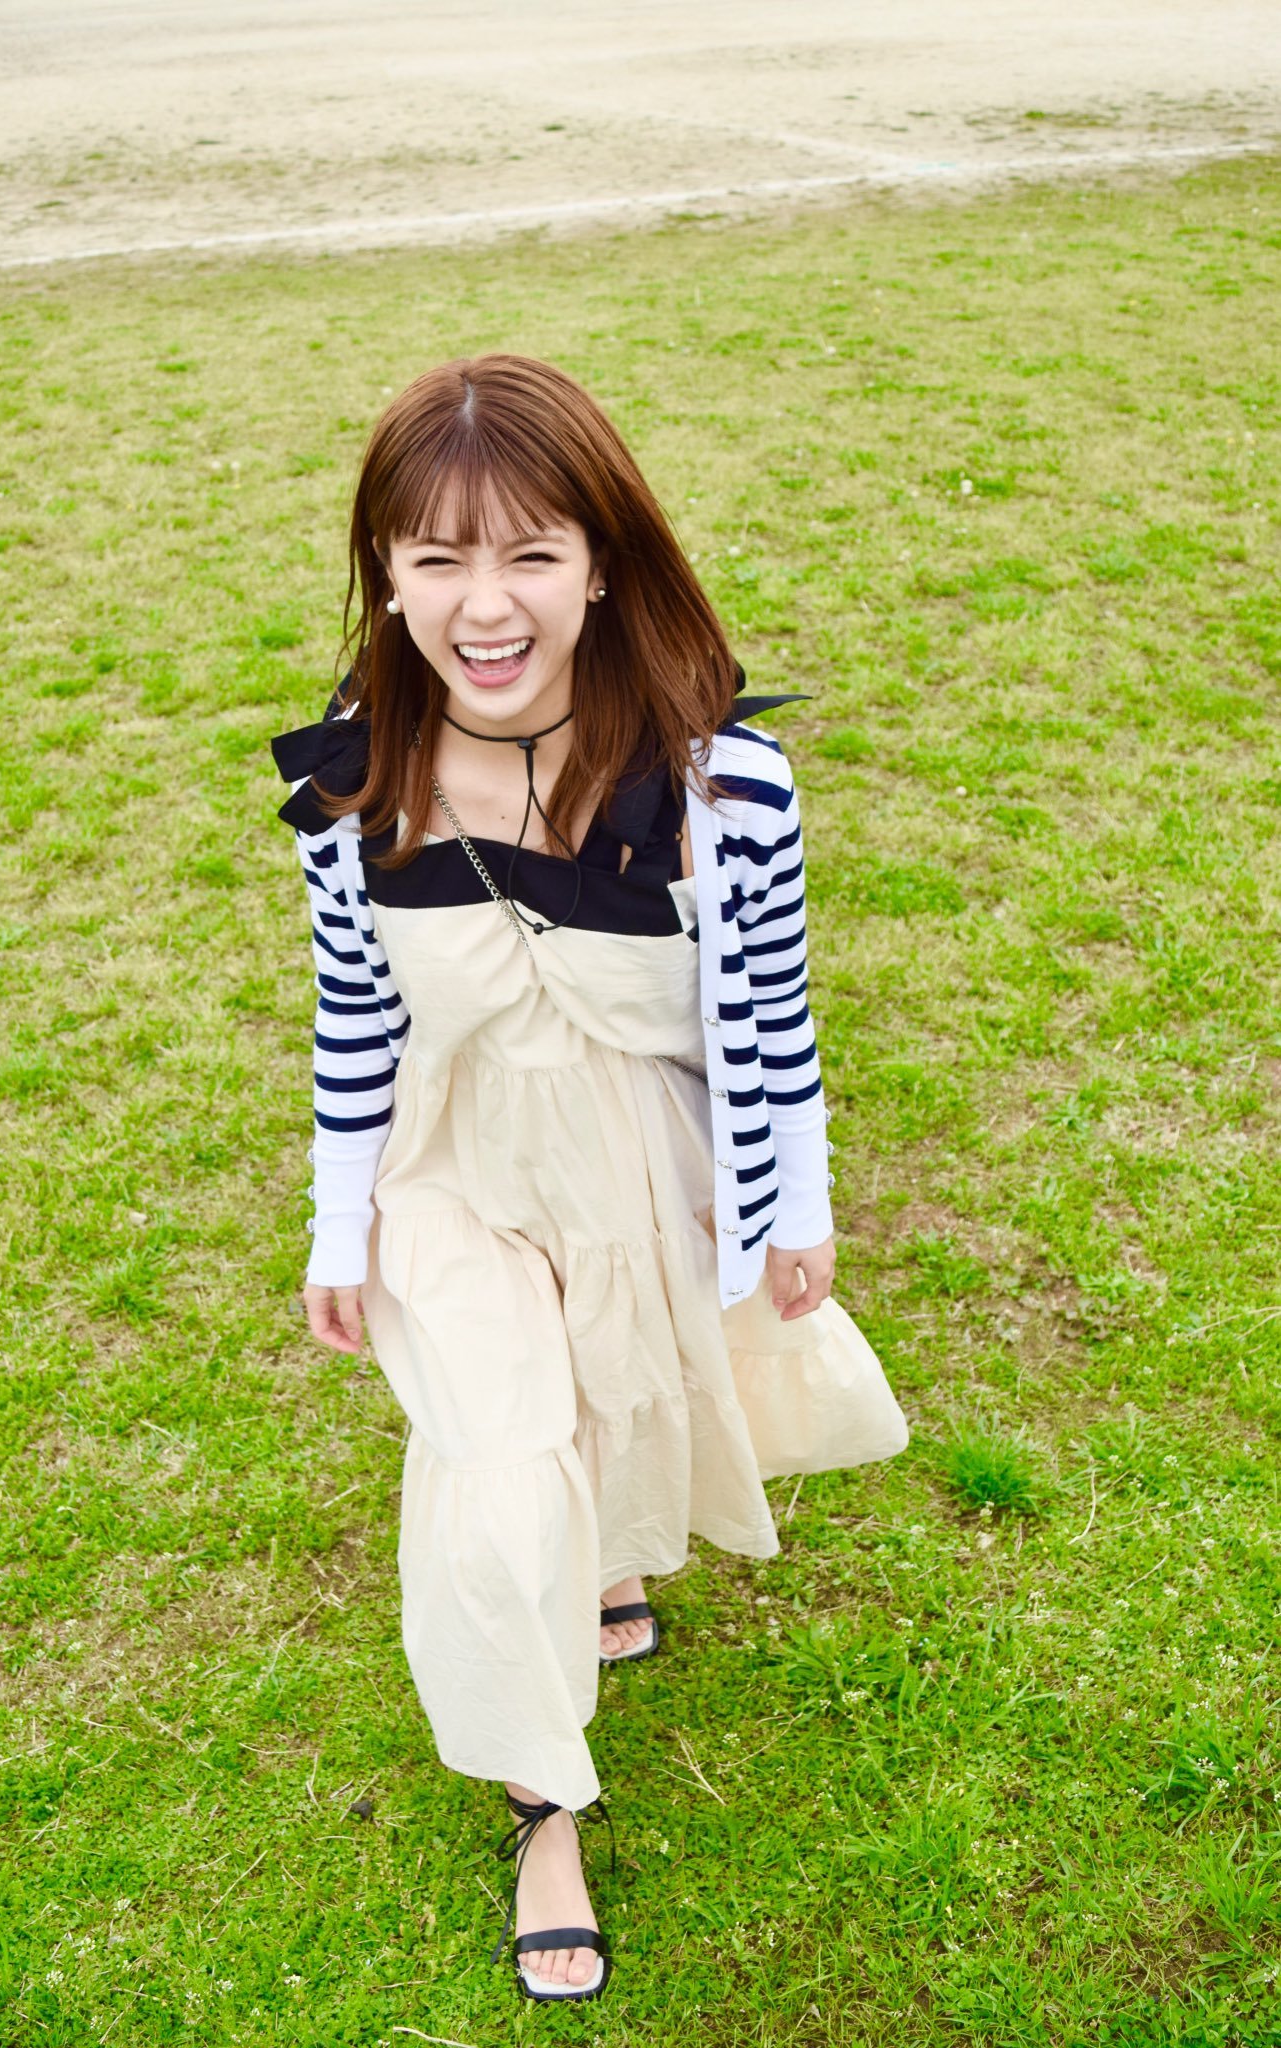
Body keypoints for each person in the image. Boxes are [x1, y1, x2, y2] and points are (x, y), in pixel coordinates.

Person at [269, 353, 908, 2004]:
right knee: (498, 1486)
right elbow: (356, 1021)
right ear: (385, 573)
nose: (483, 606)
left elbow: (772, 1015)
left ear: (602, 564)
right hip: (455, 1172)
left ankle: (610, 1565)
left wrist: (795, 1204)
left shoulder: (720, 786)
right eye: (436, 558)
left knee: (614, 1408)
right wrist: (338, 1224)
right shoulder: (348, 791)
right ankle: (544, 1804)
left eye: (530, 554)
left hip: (640, 1155)